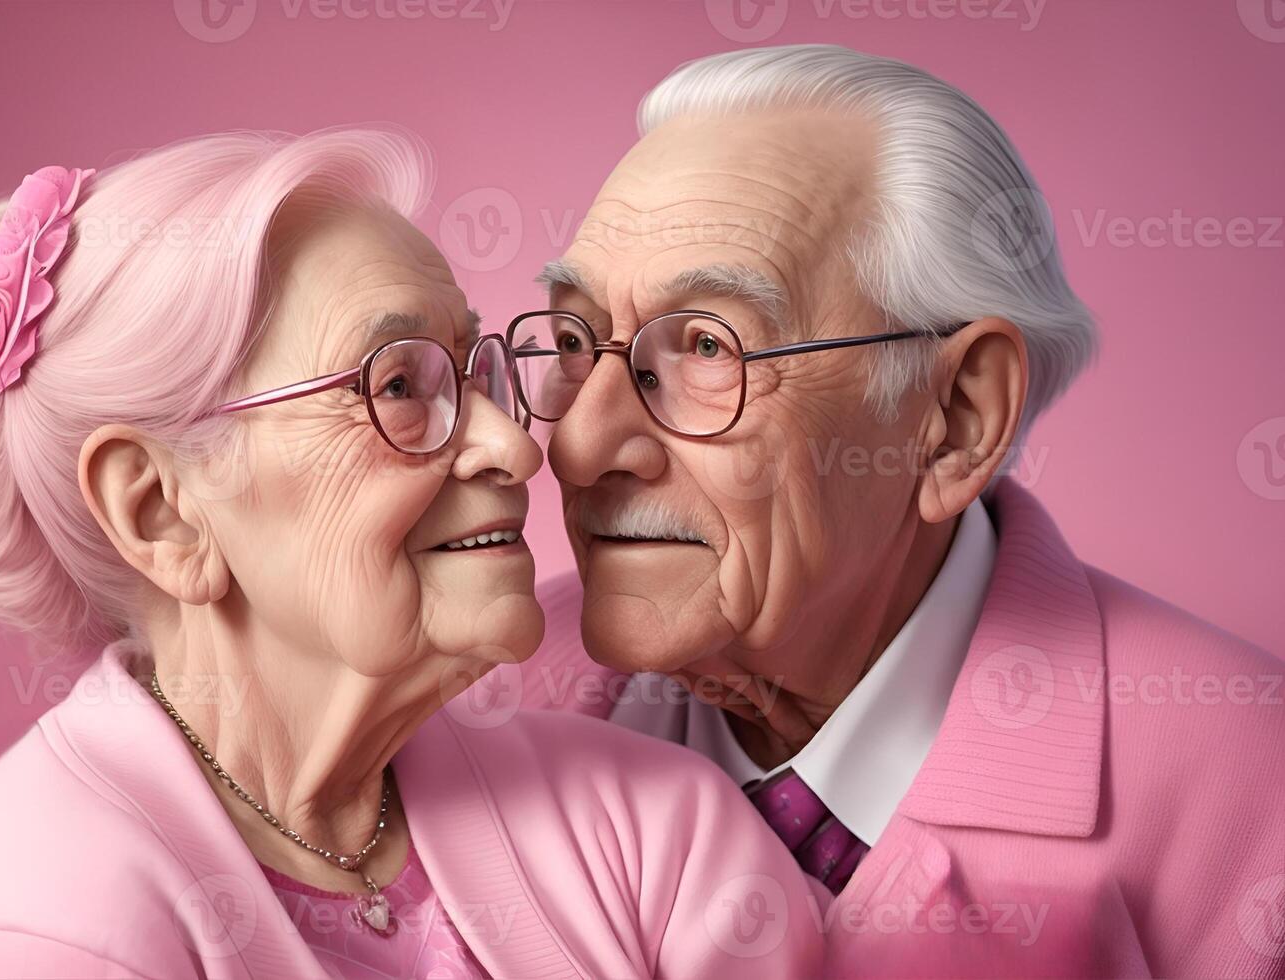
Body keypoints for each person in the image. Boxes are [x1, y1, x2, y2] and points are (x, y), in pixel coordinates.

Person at [0, 130, 822, 978]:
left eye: (476, 371)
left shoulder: (654, 831)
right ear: (160, 511)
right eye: (398, 386)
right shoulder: (24, 936)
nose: (516, 446)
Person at [504, 45, 1285, 976]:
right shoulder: (466, 699)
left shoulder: (1252, 788)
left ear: (955, 420)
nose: (579, 446)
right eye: (573, 340)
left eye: (708, 348)